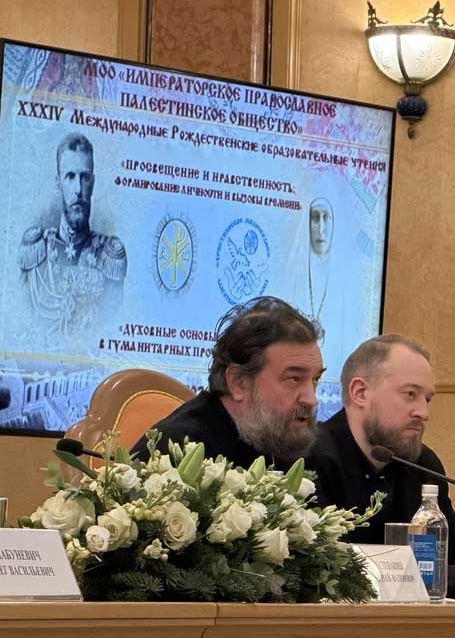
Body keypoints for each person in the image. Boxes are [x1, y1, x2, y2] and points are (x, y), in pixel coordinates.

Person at [305, 333, 455, 599]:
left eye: (427, 399)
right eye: (410, 394)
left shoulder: (422, 464)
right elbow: (328, 568)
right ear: (360, 393)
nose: (423, 412)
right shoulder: (308, 458)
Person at [131, 296, 325, 468]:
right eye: (294, 379)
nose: (311, 399)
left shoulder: (289, 443)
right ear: (239, 382)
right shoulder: (172, 457)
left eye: (315, 379)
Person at [18, 132, 127, 336]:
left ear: (93, 182)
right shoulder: (35, 252)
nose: (78, 189)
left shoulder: (109, 257)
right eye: (70, 177)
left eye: (84, 177)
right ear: (58, 183)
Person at [307, 197, 334, 322]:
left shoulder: (346, 280)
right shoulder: (294, 274)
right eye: (315, 218)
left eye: (326, 217)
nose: (321, 229)